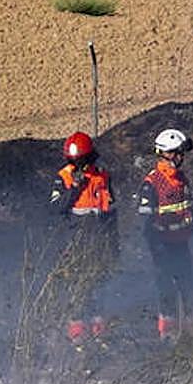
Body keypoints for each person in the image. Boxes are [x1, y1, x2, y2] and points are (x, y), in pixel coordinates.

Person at [49, 131, 117, 344]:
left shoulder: (103, 176)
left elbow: (111, 212)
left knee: (100, 288)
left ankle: (100, 337)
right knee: (78, 290)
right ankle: (78, 338)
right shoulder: (64, 177)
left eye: (80, 161)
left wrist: (114, 244)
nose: (77, 166)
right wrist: (74, 189)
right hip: (75, 244)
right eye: (73, 161)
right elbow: (55, 208)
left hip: (100, 241)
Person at [137, 128, 193, 340]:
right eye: (176, 153)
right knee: (166, 288)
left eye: (181, 153)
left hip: (181, 243)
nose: (180, 157)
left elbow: (188, 208)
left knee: (188, 285)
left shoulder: (182, 179)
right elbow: (145, 219)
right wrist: (154, 244)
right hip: (162, 245)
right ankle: (167, 334)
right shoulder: (152, 182)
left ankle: (192, 332)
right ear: (165, 154)